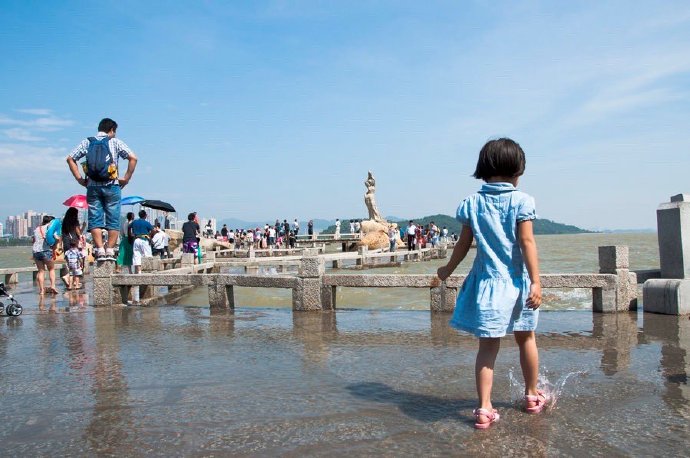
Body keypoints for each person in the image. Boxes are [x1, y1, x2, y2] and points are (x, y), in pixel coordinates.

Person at [436, 138, 545, 429]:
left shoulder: (472, 203)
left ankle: (484, 408)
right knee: (526, 338)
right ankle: (532, 396)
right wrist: (536, 281)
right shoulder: (522, 201)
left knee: (487, 348)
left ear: (483, 169)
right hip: (519, 285)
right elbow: (526, 242)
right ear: (517, 171)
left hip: (488, 286)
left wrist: (447, 269)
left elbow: (462, 244)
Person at [67, 118, 138, 261]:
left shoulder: (87, 142)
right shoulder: (115, 142)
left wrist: (79, 179)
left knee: (95, 218)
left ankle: (99, 250)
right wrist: (126, 178)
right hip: (112, 185)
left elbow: (70, 159)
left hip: (92, 186)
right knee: (113, 217)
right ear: (111, 130)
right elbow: (133, 158)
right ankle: (110, 251)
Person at [130, 210, 154, 305]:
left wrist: (130, 236)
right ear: (145, 215)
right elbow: (153, 230)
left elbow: (129, 227)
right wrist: (150, 237)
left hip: (136, 239)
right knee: (148, 256)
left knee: (137, 257)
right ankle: (147, 272)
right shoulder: (146, 223)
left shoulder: (134, 222)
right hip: (144, 239)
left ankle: (138, 274)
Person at [32, 215, 59, 295]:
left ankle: (41, 291)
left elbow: (33, 240)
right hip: (46, 250)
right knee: (51, 269)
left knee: (41, 271)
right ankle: (53, 286)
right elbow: (56, 237)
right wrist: (56, 242)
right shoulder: (50, 227)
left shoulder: (37, 228)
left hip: (36, 251)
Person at [60, 207, 84, 287]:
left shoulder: (64, 221)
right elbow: (78, 232)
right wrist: (83, 226)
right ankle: (68, 278)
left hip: (66, 243)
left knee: (70, 262)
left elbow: (62, 234)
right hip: (74, 242)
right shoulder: (75, 221)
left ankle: (72, 281)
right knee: (76, 262)